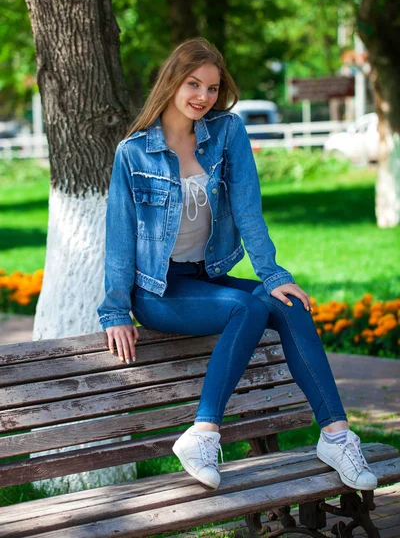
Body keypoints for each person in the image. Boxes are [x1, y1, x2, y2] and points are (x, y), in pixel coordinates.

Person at [97, 37, 377, 492]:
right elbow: (119, 237)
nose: (203, 97)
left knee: (288, 303)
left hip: (207, 277)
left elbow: (248, 210)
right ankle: (203, 435)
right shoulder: (133, 153)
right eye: (193, 84)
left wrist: (273, 275)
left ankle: (336, 435)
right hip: (158, 291)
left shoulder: (227, 133)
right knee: (246, 308)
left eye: (211, 87)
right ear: (171, 82)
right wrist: (114, 312)